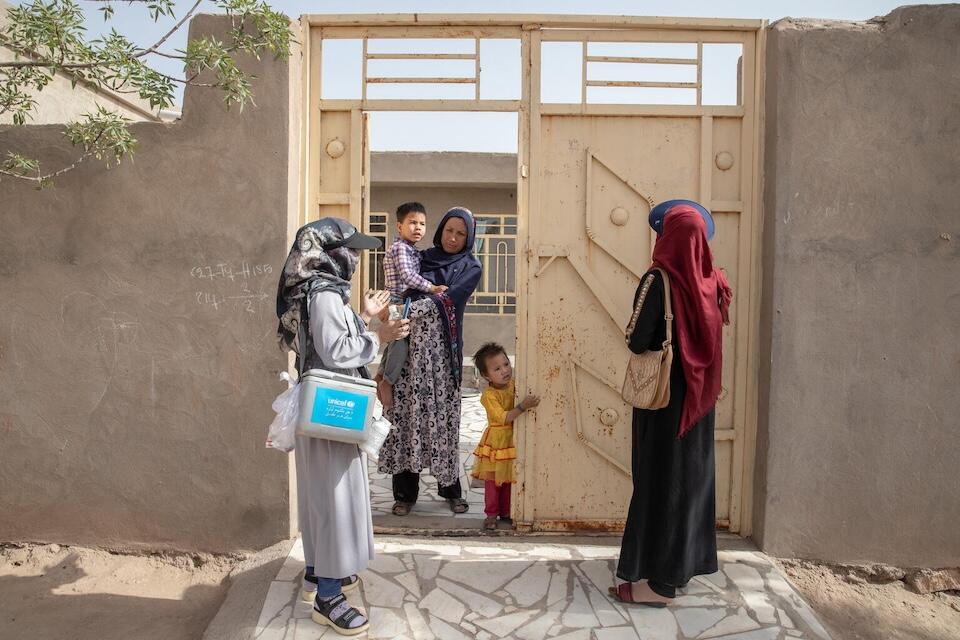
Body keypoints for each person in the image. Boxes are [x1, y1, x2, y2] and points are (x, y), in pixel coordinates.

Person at [276, 217, 409, 635]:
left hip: (321, 411)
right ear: (331, 253)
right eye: (350, 250)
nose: (355, 257)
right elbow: (336, 351)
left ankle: (319, 574)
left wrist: (364, 317)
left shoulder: (319, 292)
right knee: (334, 501)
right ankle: (328, 598)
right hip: (333, 412)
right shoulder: (326, 296)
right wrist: (378, 333)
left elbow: (325, 339)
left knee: (321, 498)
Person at [611, 204, 733, 606]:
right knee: (690, 483)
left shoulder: (659, 279)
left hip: (664, 403)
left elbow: (637, 339)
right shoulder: (713, 281)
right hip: (698, 403)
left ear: (669, 239)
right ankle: (678, 571)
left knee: (660, 481)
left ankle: (658, 586)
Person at [377, 207, 482, 516]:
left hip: (441, 355)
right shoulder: (421, 258)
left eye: (461, 233)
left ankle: (451, 489)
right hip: (408, 350)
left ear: (469, 237)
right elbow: (401, 285)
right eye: (449, 230)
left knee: (443, 421)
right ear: (440, 231)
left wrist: (405, 309)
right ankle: (404, 494)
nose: (453, 238)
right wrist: (395, 308)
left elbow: (448, 300)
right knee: (406, 418)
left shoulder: (470, 267)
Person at [379, 202, 447, 409]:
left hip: (401, 300)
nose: (418, 227)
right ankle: (387, 382)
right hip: (398, 300)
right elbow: (408, 277)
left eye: (422, 223)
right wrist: (433, 288)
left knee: (393, 342)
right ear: (399, 227)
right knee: (400, 341)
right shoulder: (400, 248)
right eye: (412, 223)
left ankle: (380, 375)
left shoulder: (412, 250)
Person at [469, 342, 540, 531]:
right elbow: (504, 417)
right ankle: (491, 514)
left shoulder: (516, 386)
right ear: (486, 375)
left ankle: (506, 512)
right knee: (493, 482)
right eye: (497, 369)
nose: (504, 371)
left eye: (506, 364)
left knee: (509, 479)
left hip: (511, 441)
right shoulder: (489, 396)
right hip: (496, 444)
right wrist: (523, 406)